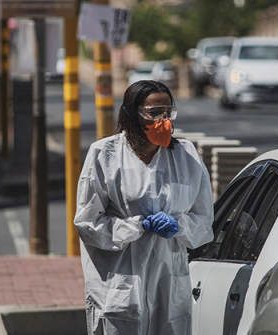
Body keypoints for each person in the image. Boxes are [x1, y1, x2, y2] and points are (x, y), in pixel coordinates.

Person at [74, 80, 214, 335]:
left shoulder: (186, 157)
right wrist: (135, 226)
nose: (163, 120)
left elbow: (204, 221)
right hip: (119, 283)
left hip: (168, 281)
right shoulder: (104, 154)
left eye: (167, 112)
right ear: (131, 114)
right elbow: (87, 222)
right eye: (154, 113)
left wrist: (180, 226)